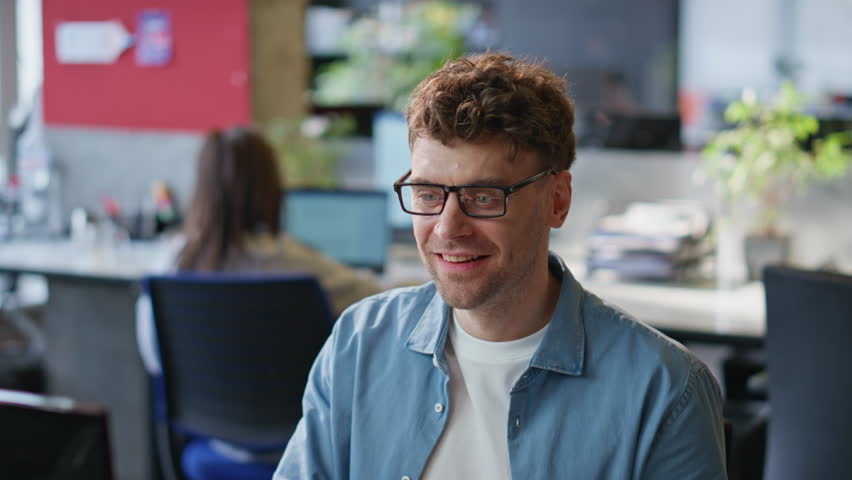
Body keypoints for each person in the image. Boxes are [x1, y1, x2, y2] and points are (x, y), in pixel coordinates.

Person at [274, 53, 726, 479]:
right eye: (428, 194)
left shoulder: (664, 390)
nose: (448, 228)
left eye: (484, 197)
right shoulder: (359, 345)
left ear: (558, 200)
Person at [136, 127, 383, 375]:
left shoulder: (170, 264)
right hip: (295, 400)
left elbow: (155, 358)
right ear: (270, 185)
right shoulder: (291, 261)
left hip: (196, 401)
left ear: (202, 186)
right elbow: (378, 300)